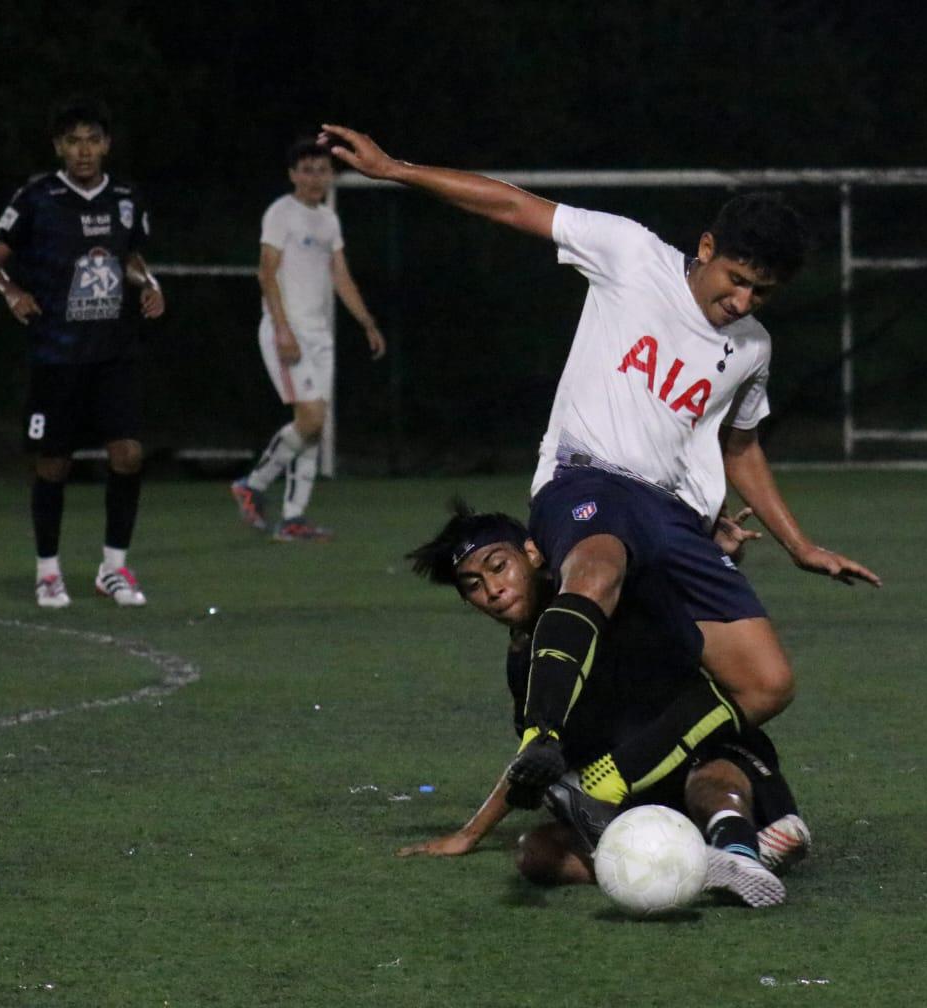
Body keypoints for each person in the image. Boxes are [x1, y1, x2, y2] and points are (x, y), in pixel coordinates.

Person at [320, 123, 881, 808]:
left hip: (675, 521)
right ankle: (541, 736)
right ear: (706, 249)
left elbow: (741, 448)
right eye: (736, 281)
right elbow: (513, 205)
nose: (742, 302)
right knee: (597, 567)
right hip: (588, 479)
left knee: (766, 684)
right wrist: (395, 169)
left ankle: (604, 783)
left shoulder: (752, 347)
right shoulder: (633, 255)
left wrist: (801, 545)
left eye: (760, 294)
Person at [401, 501, 812, 907]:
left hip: (706, 753)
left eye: (497, 567)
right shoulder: (524, 661)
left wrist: (711, 552)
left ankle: (738, 847)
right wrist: (470, 833)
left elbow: (666, 578)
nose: (492, 590)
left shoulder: (604, 590)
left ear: (532, 553)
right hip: (634, 792)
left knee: (711, 780)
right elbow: (536, 756)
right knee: (536, 854)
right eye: (473, 585)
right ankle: (707, 864)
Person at [0, 97, 165, 609]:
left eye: (92, 140)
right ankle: (48, 571)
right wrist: (12, 292)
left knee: (127, 454)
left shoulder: (126, 197)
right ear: (59, 147)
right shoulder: (38, 196)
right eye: (73, 141)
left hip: (113, 351)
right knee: (53, 464)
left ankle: (114, 567)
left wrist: (148, 283)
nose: (83, 150)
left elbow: (131, 257)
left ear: (106, 145)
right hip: (57, 353)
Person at [230, 138, 386, 542]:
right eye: (307, 169)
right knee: (312, 418)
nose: (315, 177)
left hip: (320, 335)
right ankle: (253, 484)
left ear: (330, 175)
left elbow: (341, 275)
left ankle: (294, 518)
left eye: (321, 170)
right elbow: (266, 273)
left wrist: (366, 321)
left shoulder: (328, 221)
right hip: (289, 331)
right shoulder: (281, 213)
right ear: (292, 174)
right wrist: (282, 328)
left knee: (314, 428)